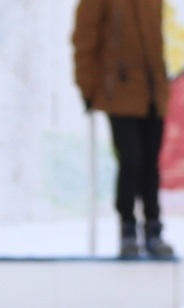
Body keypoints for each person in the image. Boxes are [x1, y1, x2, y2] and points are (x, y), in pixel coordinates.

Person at [74, 0, 174, 259]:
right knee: (131, 162)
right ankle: (127, 229)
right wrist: (87, 88)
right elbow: (84, 41)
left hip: (153, 94)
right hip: (119, 92)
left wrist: (162, 84)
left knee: (151, 164)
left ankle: (154, 229)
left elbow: (157, 39)